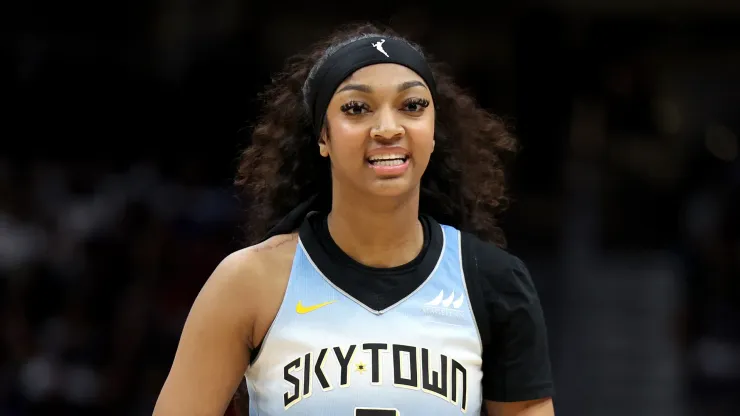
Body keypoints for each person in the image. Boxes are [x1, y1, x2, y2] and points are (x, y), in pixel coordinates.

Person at [153, 23, 555, 416]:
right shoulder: (247, 282)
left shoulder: (495, 283)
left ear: (433, 132)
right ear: (322, 137)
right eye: (356, 108)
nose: (387, 128)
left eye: (412, 106)